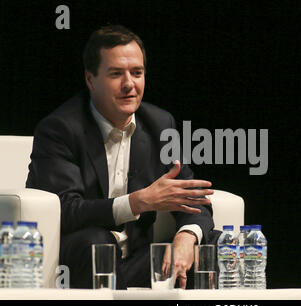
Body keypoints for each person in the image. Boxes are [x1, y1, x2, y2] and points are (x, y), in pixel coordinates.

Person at [26, 25, 219, 289]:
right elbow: (66, 210)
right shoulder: (59, 129)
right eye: (116, 74)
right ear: (90, 79)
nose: (129, 84)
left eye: (137, 73)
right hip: (78, 260)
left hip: (138, 260)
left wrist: (186, 238)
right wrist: (137, 202)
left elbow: (194, 201)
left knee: (212, 243)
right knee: (96, 242)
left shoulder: (161, 125)